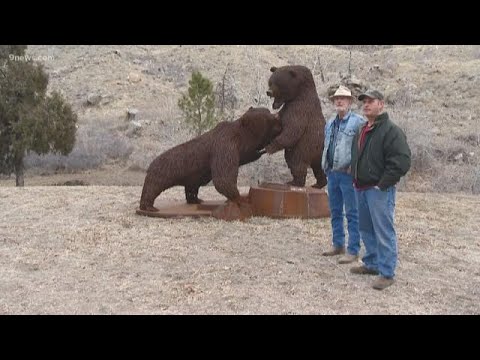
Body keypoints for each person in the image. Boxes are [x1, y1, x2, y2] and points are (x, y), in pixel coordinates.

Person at [350, 89, 411, 290]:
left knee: (383, 230)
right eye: (364, 102)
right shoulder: (361, 129)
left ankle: (387, 273)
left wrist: (382, 183)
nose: (366, 105)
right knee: (366, 228)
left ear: (381, 104)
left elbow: (401, 161)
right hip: (360, 188)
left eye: (371, 101)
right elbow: (356, 156)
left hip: (379, 190)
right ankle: (372, 263)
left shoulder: (391, 131)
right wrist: (355, 178)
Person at [321, 85, 366, 264]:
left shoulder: (357, 122)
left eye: (343, 98)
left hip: (348, 174)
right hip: (332, 173)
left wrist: (356, 169)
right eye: (336, 98)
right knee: (335, 211)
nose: (339, 101)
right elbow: (328, 146)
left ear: (350, 102)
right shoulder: (331, 122)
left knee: (352, 213)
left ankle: (353, 249)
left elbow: (363, 147)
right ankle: (338, 244)